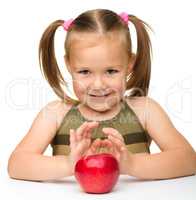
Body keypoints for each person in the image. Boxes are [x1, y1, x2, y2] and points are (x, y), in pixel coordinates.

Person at [7, 9, 196, 182]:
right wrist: (68, 164)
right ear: (69, 65)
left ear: (130, 63)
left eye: (111, 71)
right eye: (84, 72)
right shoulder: (55, 114)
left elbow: (188, 160)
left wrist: (131, 164)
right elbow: (16, 165)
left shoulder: (145, 110)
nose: (98, 85)